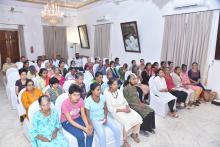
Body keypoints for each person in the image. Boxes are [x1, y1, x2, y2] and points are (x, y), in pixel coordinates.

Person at [104, 79, 143, 147]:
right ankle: (124, 141)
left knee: (137, 116)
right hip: (116, 111)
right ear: (110, 85)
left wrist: (127, 107)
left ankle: (134, 133)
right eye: (114, 84)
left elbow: (124, 100)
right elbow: (110, 109)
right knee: (126, 122)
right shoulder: (107, 93)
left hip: (124, 108)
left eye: (117, 84)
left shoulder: (119, 91)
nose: (117, 86)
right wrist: (123, 110)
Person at [85, 83, 121, 147]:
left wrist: (105, 117)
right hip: (95, 120)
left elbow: (105, 108)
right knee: (102, 134)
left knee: (117, 129)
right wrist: (90, 124)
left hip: (103, 117)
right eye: (98, 90)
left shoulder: (102, 97)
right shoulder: (88, 101)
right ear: (92, 91)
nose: (100, 91)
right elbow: (87, 115)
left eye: (100, 90)